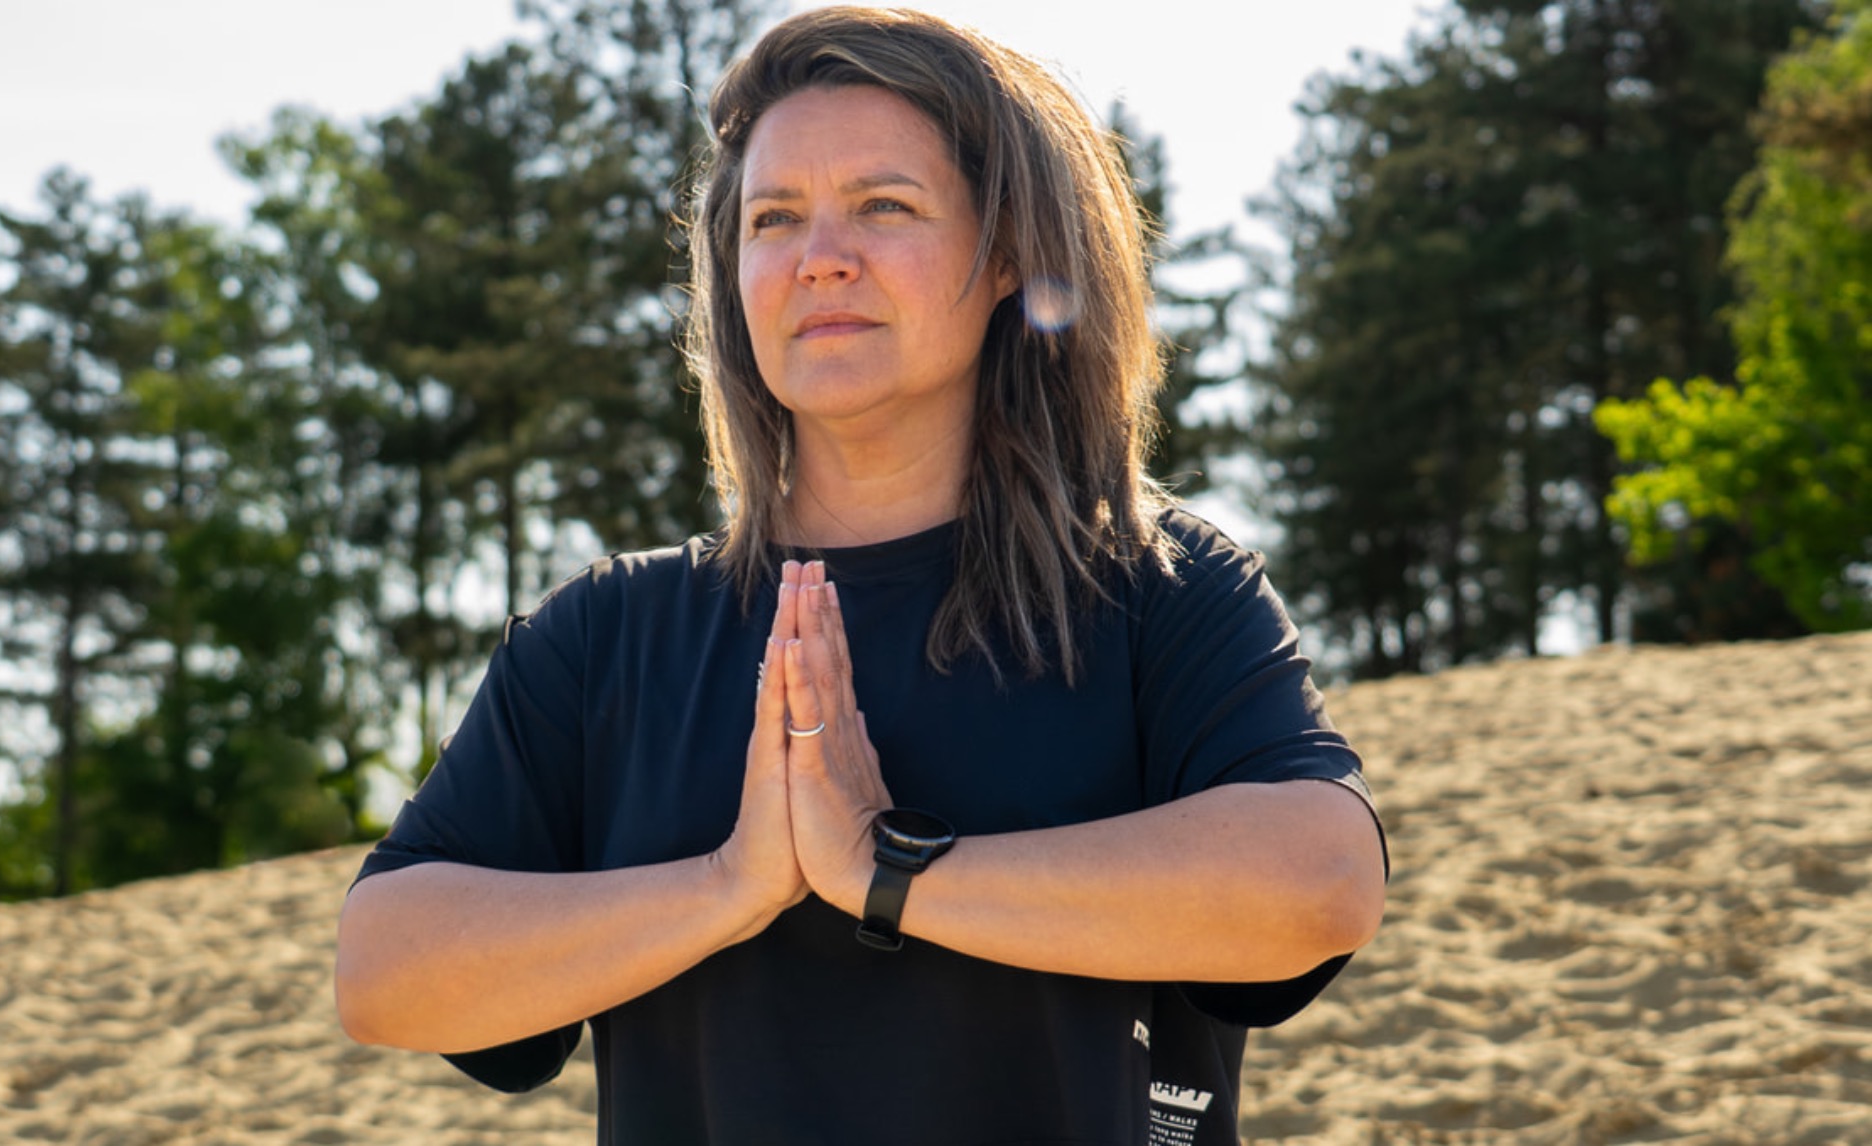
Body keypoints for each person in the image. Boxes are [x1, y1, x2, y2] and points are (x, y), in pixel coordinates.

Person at [334, 7, 1387, 1144]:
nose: (818, 255)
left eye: (885, 207)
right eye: (773, 218)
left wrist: (885, 871)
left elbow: (1318, 885)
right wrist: (731, 885)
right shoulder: (608, 637)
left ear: (1009, 257)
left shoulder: (1155, 589)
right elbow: (385, 969)